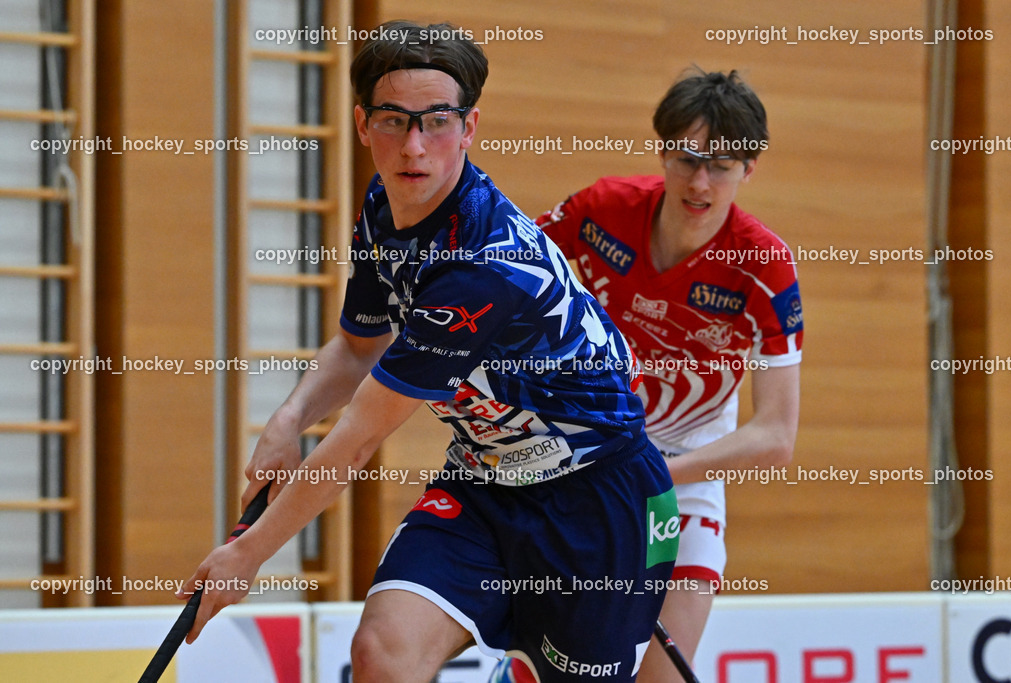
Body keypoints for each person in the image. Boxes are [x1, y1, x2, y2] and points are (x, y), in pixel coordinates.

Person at [178, 20, 678, 683]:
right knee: (382, 654)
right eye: (394, 120)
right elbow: (358, 346)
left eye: (437, 122)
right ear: (363, 124)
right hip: (482, 485)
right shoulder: (383, 208)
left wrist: (248, 556)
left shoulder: (481, 266)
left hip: (597, 500)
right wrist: (289, 420)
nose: (414, 147)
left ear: (469, 128)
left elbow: (358, 440)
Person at [492, 68, 802, 682]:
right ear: (662, 151)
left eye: (722, 165)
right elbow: (501, 278)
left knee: (661, 675)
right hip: (581, 456)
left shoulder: (764, 268)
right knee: (550, 668)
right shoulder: (601, 211)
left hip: (683, 473)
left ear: (749, 169)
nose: (700, 181)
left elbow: (775, 437)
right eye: (687, 159)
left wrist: (651, 475)